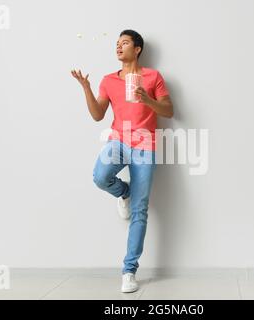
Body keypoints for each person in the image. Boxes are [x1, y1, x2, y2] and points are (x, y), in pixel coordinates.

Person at [71, 29, 173, 293]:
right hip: (118, 141)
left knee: (140, 210)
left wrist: (147, 99)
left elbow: (169, 111)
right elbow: (97, 115)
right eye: (116, 43)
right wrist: (86, 88)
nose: (118, 47)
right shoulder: (108, 80)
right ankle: (124, 192)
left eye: (124, 43)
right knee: (100, 176)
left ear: (137, 49)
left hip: (146, 146)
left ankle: (129, 271)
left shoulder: (153, 77)